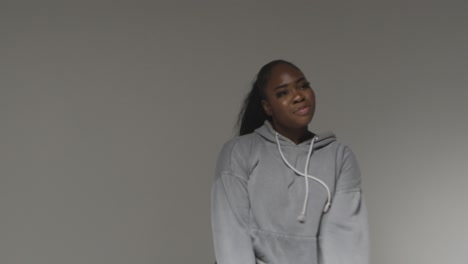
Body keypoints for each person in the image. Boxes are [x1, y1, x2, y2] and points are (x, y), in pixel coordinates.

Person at [211, 60, 369, 264]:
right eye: (283, 93)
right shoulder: (240, 152)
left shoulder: (340, 157)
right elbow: (232, 237)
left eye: (303, 86)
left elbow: (344, 241)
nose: (298, 96)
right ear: (267, 106)